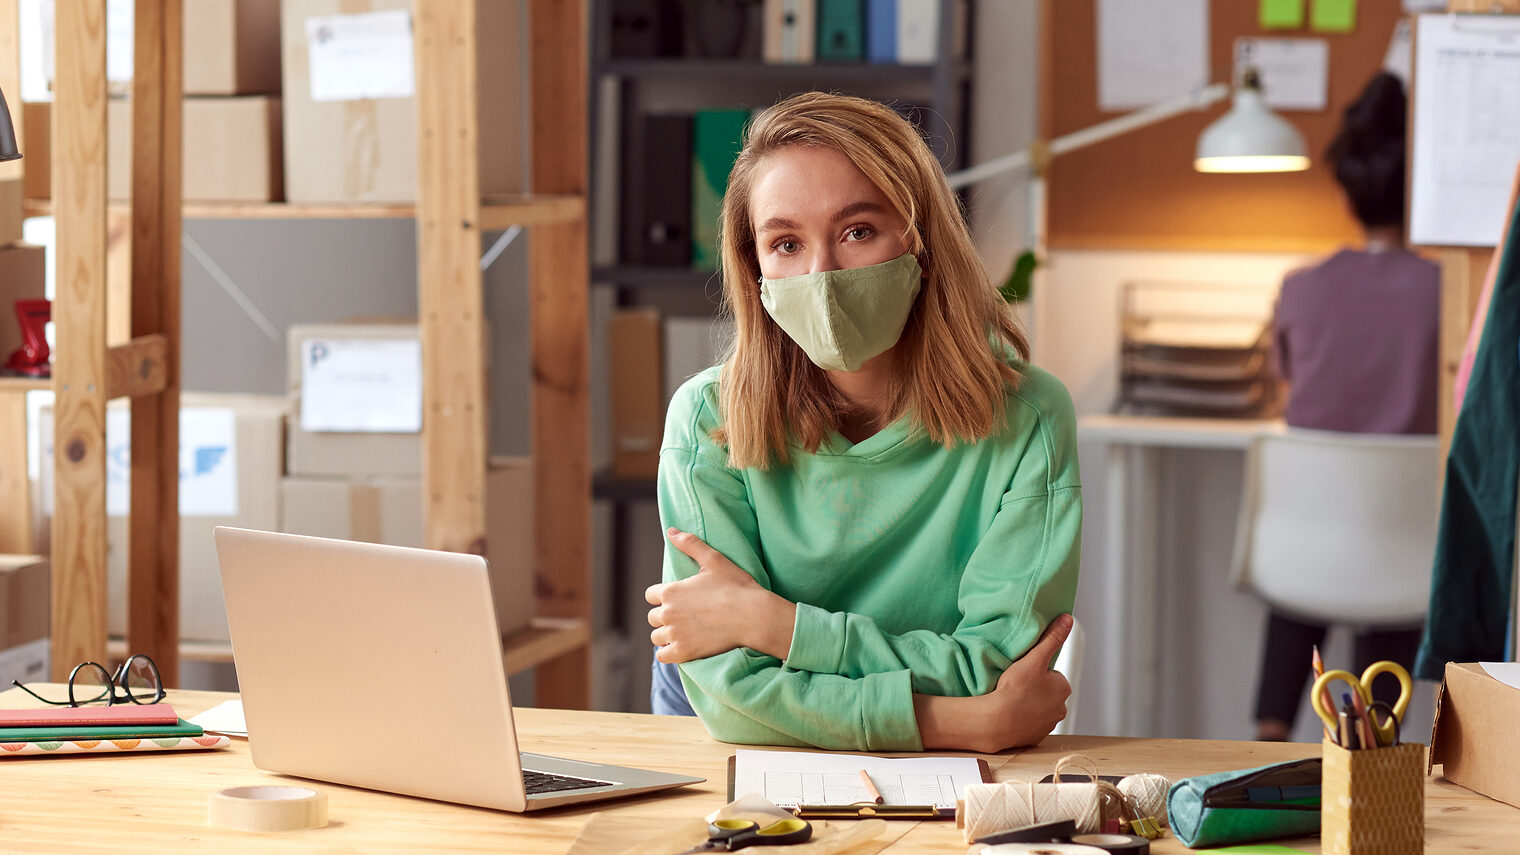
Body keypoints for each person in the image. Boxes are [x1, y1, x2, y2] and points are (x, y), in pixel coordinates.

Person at [642, 92, 1082, 752]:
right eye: (785, 243)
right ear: (753, 266)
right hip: (733, 738)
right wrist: (953, 721)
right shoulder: (707, 418)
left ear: (922, 237)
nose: (820, 274)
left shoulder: (1029, 419)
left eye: (857, 231)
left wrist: (779, 627)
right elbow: (737, 701)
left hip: (908, 756)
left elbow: (991, 666)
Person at [1254, 72, 1438, 741]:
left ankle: (1269, 736)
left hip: (1304, 559)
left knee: (1309, 561)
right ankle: (1375, 736)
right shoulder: (1448, 292)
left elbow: (1287, 387)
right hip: (1403, 558)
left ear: (1345, 188)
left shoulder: (1300, 288)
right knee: (1391, 550)